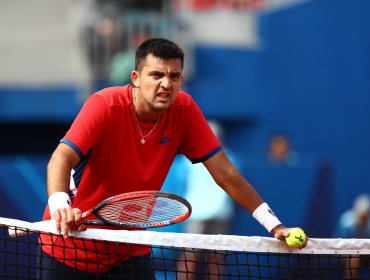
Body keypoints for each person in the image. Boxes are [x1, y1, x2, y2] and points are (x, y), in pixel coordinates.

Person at [38, 37, 308, 278]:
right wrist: (61, 206)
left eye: (174, 76)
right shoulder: (104, 105)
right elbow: (61, 158)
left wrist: (275, 226)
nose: (166, 84)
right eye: (156, 75)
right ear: (136, 77)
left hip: (129, 249)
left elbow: (226, 174)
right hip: (68, 249)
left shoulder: (185, 110)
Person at [177, 120, 238, 279]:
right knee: (196, 256)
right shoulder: (230, 158)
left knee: (211, 258)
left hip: (214, 214)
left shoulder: (229, 158)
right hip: (201, 213)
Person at [334, 194, 370, 279]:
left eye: (365, 216)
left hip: (365, 254)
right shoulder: (346, 223)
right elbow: (337, 244)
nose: (363, 218)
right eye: (361, 215)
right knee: (354, 255)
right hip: (344, 253)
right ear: (356, 212)